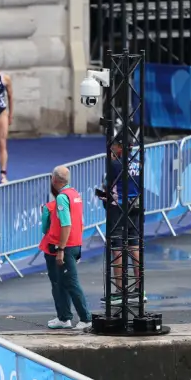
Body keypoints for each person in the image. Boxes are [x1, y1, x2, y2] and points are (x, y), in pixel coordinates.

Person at [97, 123, 144, 306]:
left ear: (120, 147)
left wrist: (102, 196)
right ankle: (139, 288)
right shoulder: (139, 164)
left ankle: (119, 290)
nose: (112, 149)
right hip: (135, 207)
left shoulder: (114, 165)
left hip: (118, 208)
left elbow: (107, 189)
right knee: (134, 245)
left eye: (114, 146)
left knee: (117, 246)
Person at [40, 166, 91, 330]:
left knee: (71, 283)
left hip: (65, 246)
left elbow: (66, 224)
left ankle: (86, 318)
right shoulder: (75, 194)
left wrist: (61, 249)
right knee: (61, 282)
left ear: (54, 180)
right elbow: (80, 222)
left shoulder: (62, 198)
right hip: (74, 244)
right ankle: (64, 318)